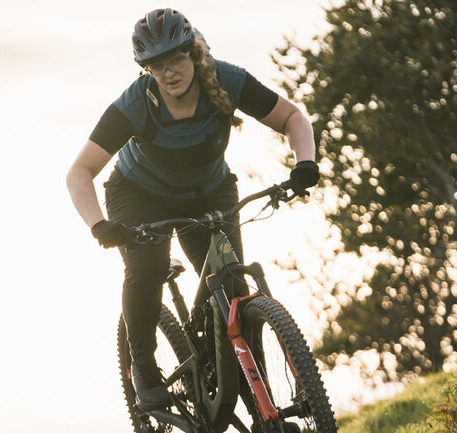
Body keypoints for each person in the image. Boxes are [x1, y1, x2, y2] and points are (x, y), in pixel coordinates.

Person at [65, 8, 320, 410]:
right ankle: (145, 370)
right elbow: (80, 172)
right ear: (146, 69)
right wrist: (100, 225)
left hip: (209, 191)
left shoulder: (226, 80)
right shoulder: (136, 103)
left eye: (177, 59)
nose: (170, 72)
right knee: (147, 268)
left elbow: (291, 117)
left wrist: (304, 162)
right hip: (139, 194)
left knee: (233, 288)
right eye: (157, 66)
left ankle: (258, 400)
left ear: (193, 52)